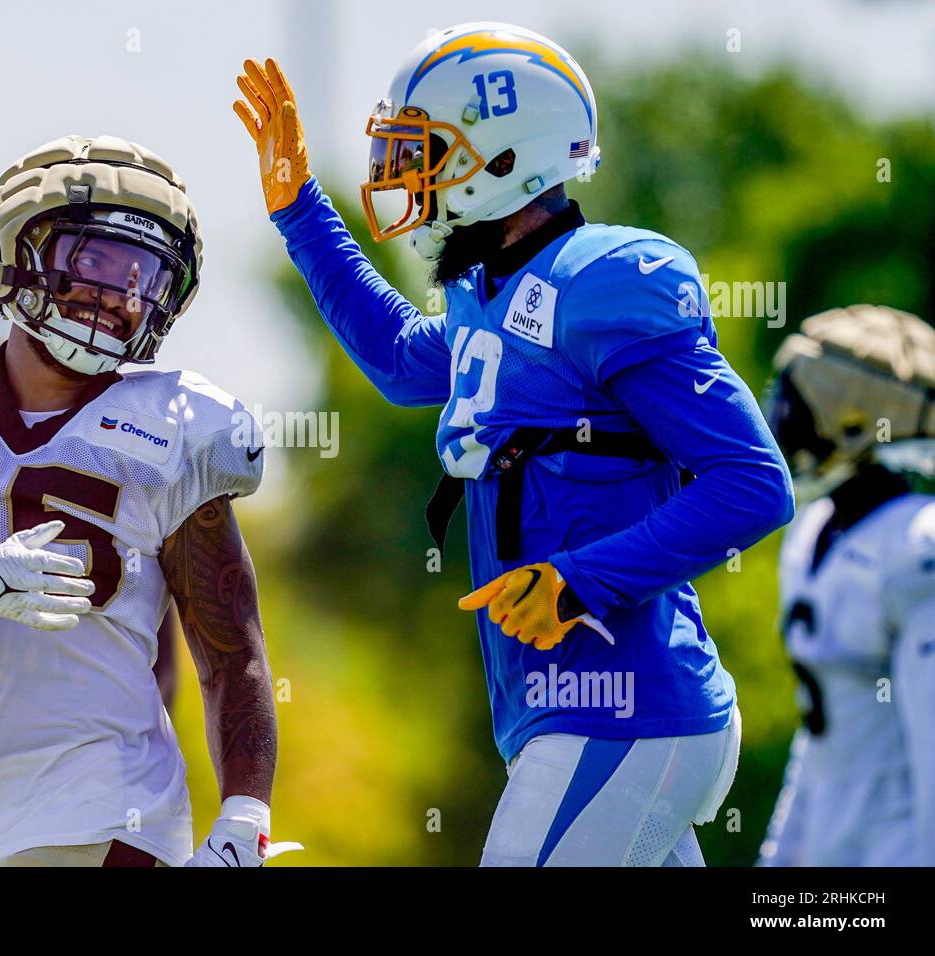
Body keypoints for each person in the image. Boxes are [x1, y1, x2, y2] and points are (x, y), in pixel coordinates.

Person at [234, 22, 793, 865]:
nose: (401, 179)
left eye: (422, 154)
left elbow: (753, 484)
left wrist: (579, 580)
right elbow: (394, 357)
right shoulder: (487, 298)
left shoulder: (602, 278)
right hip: (575, 711)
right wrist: (299, 208)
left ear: (501, 156)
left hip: (623, 709)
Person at [0, 134, 296, 867]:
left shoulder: (177, 426)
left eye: (143, 276)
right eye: (94, 261)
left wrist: (246, 815)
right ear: (17, 250)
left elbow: (230, 649)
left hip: (109, 808)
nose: (118, 293)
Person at [759, 304, 935, 866]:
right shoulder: (812, 533)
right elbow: (821, 740)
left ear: (855, 416)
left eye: (799, 404)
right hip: (833, 855)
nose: (781, 418)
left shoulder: (914, 545)